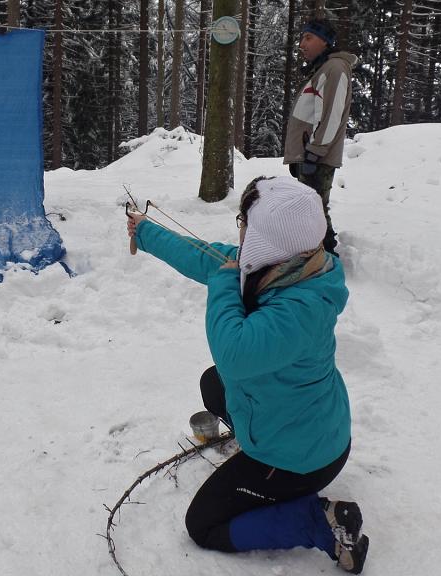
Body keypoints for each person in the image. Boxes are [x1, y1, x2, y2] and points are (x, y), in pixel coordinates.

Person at [126, 176, 368, 573]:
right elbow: (205, 256)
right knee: (212, 383)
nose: (240, 229)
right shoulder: (288, 265)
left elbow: (233, 354)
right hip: (306, 425)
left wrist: (223, 282)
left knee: (202, 525)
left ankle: (319, 523)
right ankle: (259, 449)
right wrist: (146, 232)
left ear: (266, 239)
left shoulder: (300, 307)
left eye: (245, 222)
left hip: (300, 458)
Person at [284, 17, 358, 254]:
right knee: (313, 209)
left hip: (317, 155)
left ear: (325, 41)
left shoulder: (334, 69)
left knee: (313, 211)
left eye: (308, 38)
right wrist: (299, 155)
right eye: (301, 38)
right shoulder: (323, 69)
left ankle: (325, 256)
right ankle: (317, 255)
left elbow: (332, 115)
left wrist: (314, 153)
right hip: (310, 153)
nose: (301, 44)